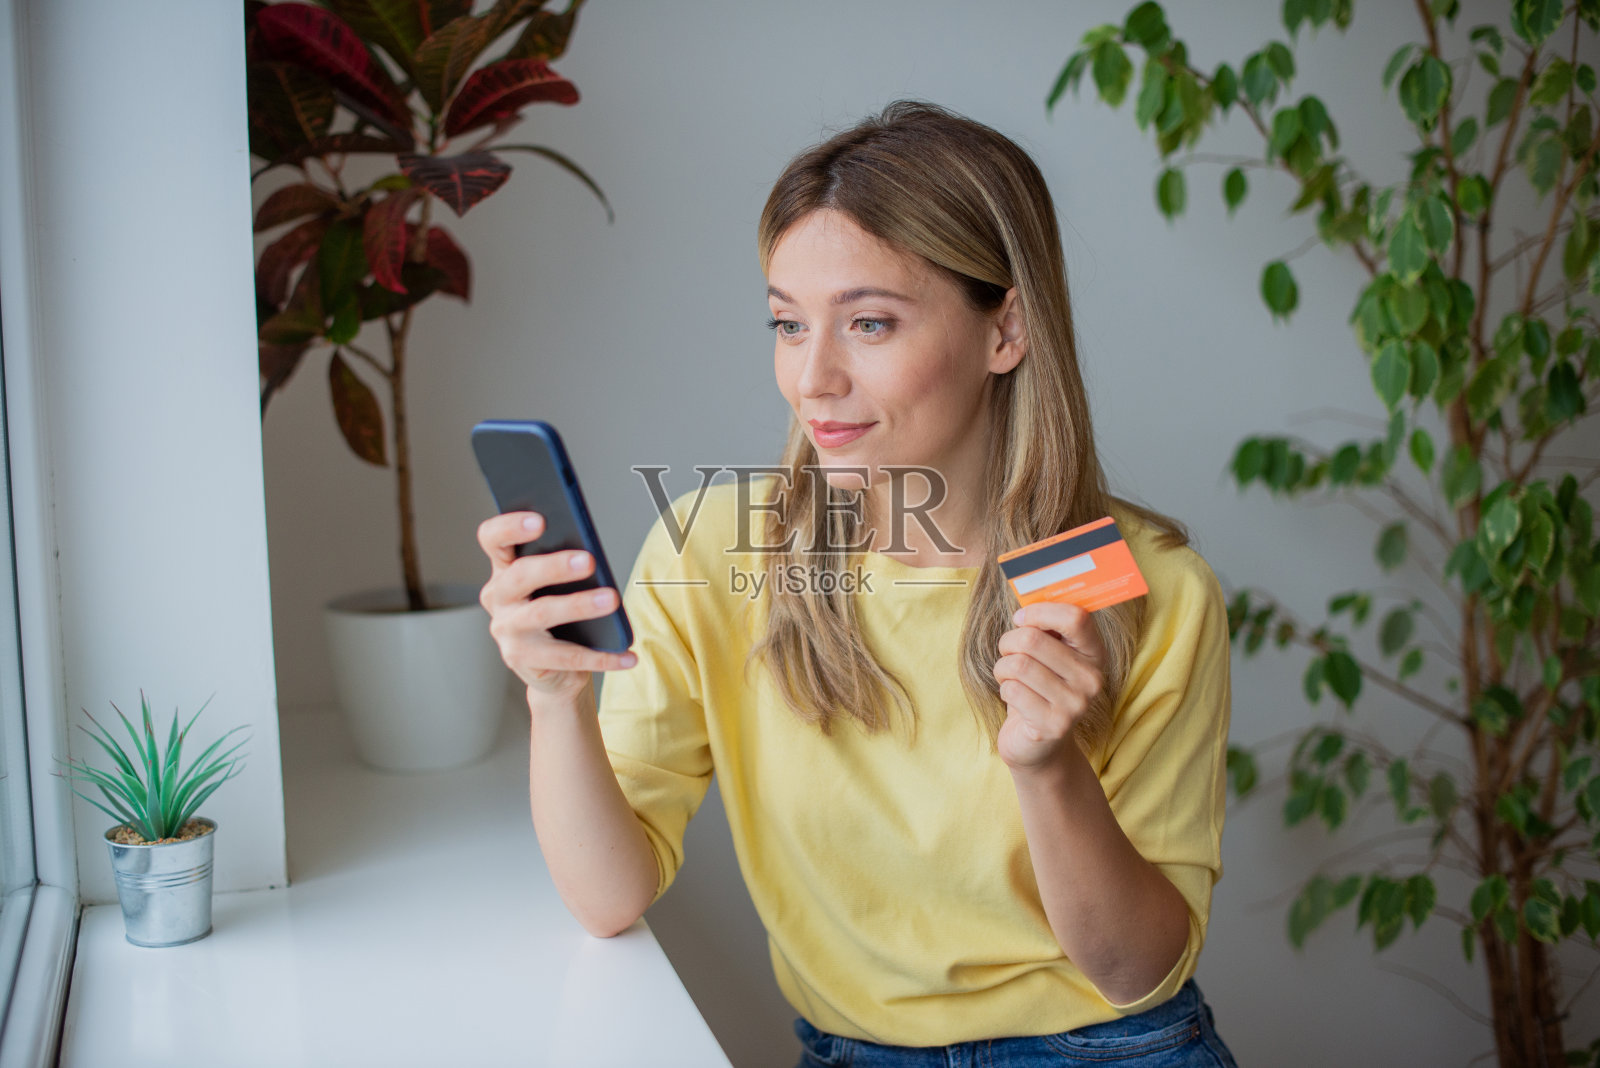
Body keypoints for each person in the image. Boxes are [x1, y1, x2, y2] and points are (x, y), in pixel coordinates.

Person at [477, 100, 1240, 1067]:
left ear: (1006, 329)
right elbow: (607, 893)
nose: (813, 378)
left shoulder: (1147, 588)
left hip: (1108, 1048)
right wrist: (555, 701)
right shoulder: (714, 549)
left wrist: (1049, 770)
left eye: (870, 322)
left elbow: (1138, 970)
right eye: (789, 325)